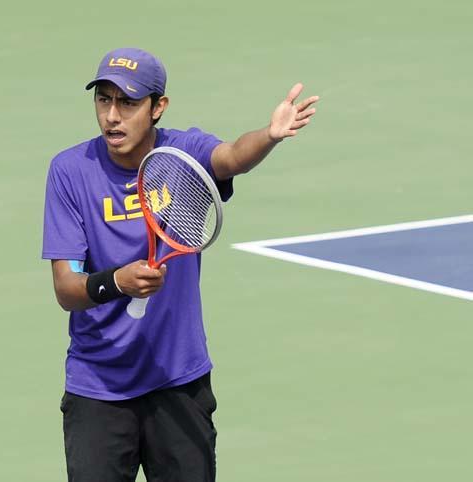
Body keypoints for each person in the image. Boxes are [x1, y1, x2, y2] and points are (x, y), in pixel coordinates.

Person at [41, 47, 318, 482]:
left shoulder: (183, 153)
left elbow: (231, 158)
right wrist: (117, 282)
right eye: (104, 100)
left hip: (177, 381)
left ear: (158, 107)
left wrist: (269, 135)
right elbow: (66, 289)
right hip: (98, 388)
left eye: (128, 103)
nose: (113, 116)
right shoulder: (70, 171)